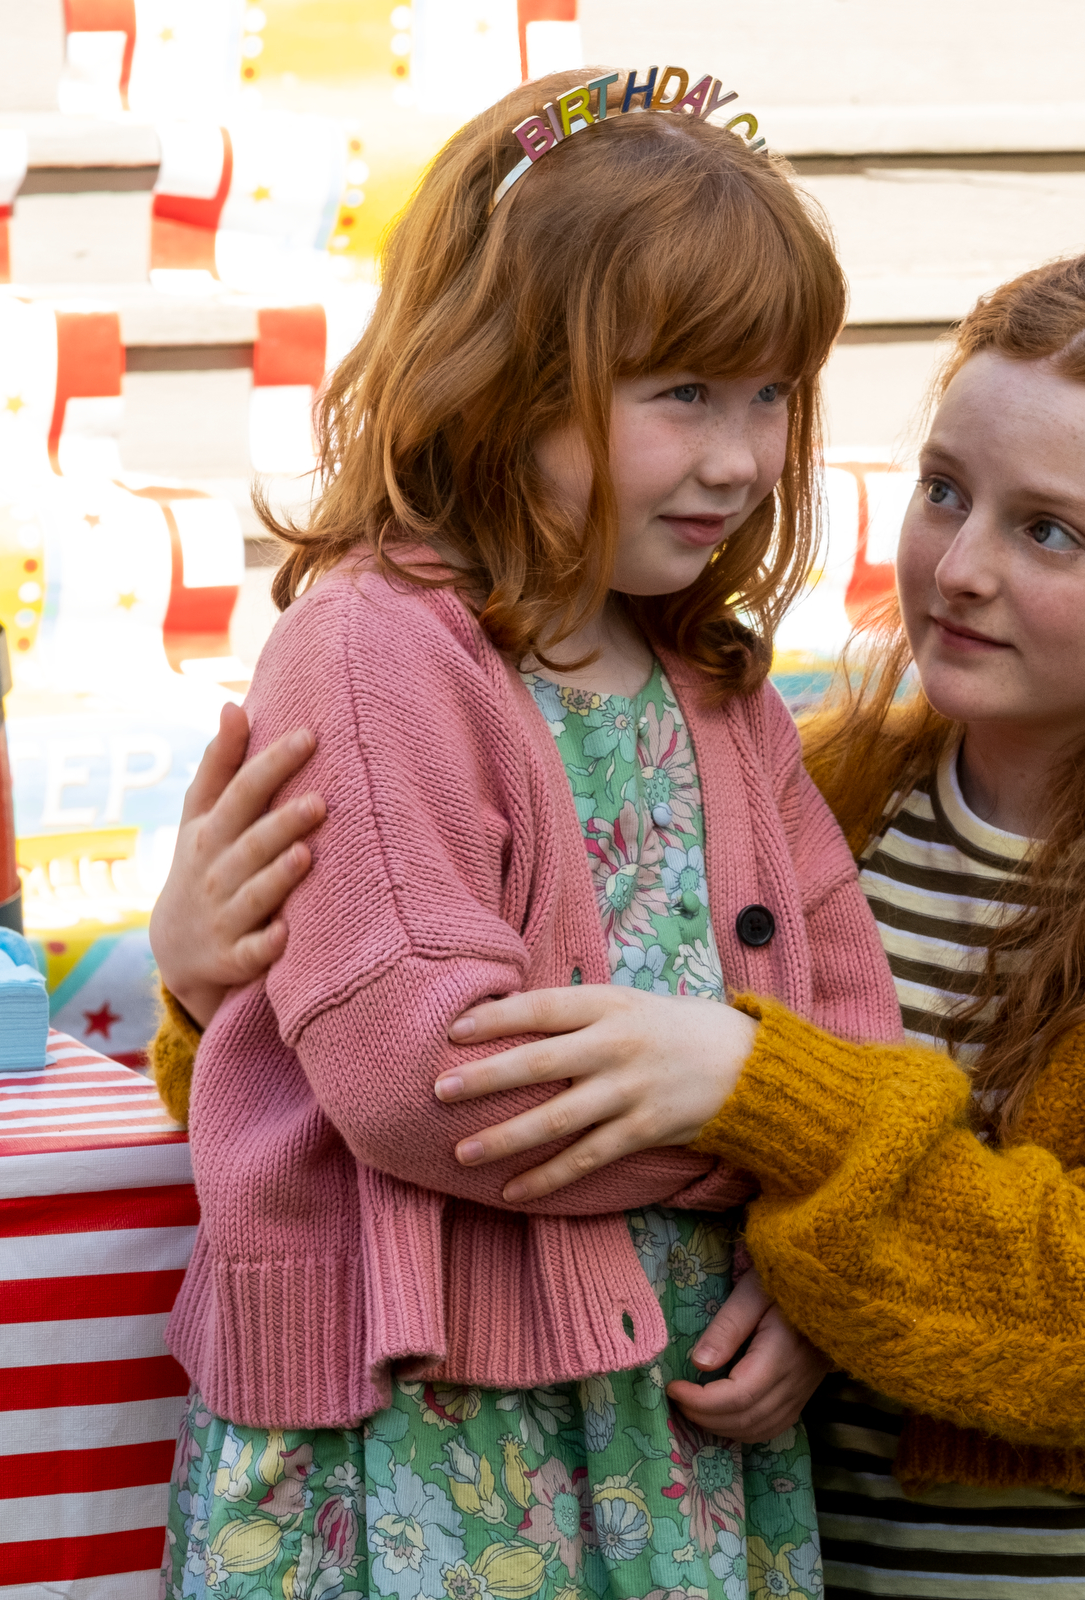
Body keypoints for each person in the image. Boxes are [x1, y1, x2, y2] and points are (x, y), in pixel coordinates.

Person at [155, 249, 1085, 1600]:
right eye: (945, 492)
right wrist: (212, 990)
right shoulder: (818, 787)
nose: (960, 568)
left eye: (1050, 532)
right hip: (752, 1558)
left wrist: (764, 1105)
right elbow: (416, 1112)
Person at [148, 68, 904, 1600]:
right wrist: (751, 1122)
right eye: (682, 392)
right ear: (503, 374)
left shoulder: (717, 685)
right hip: (433, 1429)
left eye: (770, 395)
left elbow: (851, 1026)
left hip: (674, 1405)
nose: (740, 457)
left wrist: (811, 1248)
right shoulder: (375, 653)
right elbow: (430, 1081)